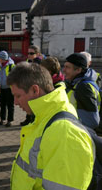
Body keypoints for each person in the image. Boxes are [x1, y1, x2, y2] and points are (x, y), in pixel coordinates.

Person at [7, 62, 94, 190]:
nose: (15, 102)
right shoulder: (45, 115)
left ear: (35, 90)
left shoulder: (64, 133)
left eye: (18, 96)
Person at [63, 53, 100, 129]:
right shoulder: (77, 83)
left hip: (78, 133)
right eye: (64, 66)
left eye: (67, 67)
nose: (63, 70)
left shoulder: (83, 88)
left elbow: (91, 121)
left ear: (78, 70)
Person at [20, 45, 43, 126]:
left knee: (35, 105)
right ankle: (28, 119)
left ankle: (34, 121)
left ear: (37, 54)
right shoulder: (29, 61)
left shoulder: (39, 63)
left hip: (36, 87)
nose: (29, 55)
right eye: (28, 53)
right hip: (28, 86)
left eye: (31, 53)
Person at [0, 51, 15, 127]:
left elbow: (15, 77)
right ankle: (2, 119)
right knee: (2, 104)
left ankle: (9, 120)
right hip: (1, 88)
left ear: (3, 58)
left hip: (9, 88)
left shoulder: (12, 66)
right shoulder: (0, 65)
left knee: (10, 105)